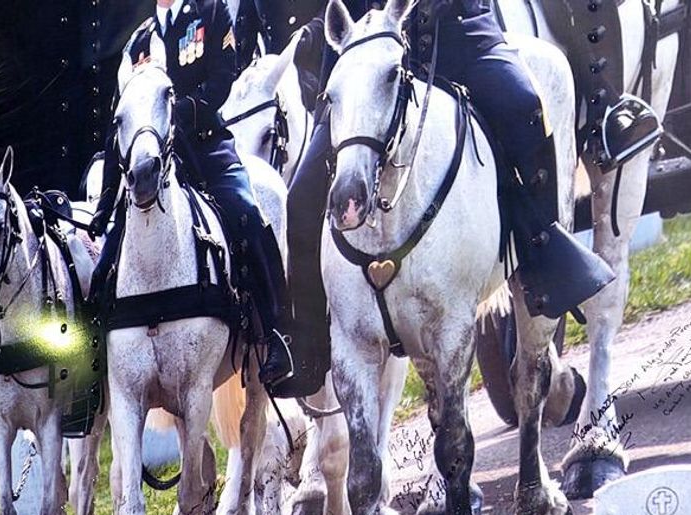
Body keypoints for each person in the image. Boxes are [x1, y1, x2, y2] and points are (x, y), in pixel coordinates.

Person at [272, 0, 658, 398]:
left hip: (457, 33)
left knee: (524, 105)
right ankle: (308, 349)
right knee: (301, 198)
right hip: (369, 58)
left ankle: (544, 254)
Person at [89, 0, 297, 388]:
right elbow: (119, 122)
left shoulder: (211, 13)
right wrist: (105, 204)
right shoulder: (138, 43)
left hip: (204, 147)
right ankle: (95, 369)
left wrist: (174, 114)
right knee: (106, 258)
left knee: (247, 214)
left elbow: (221, 80)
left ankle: (278, 334)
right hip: (156, 164)